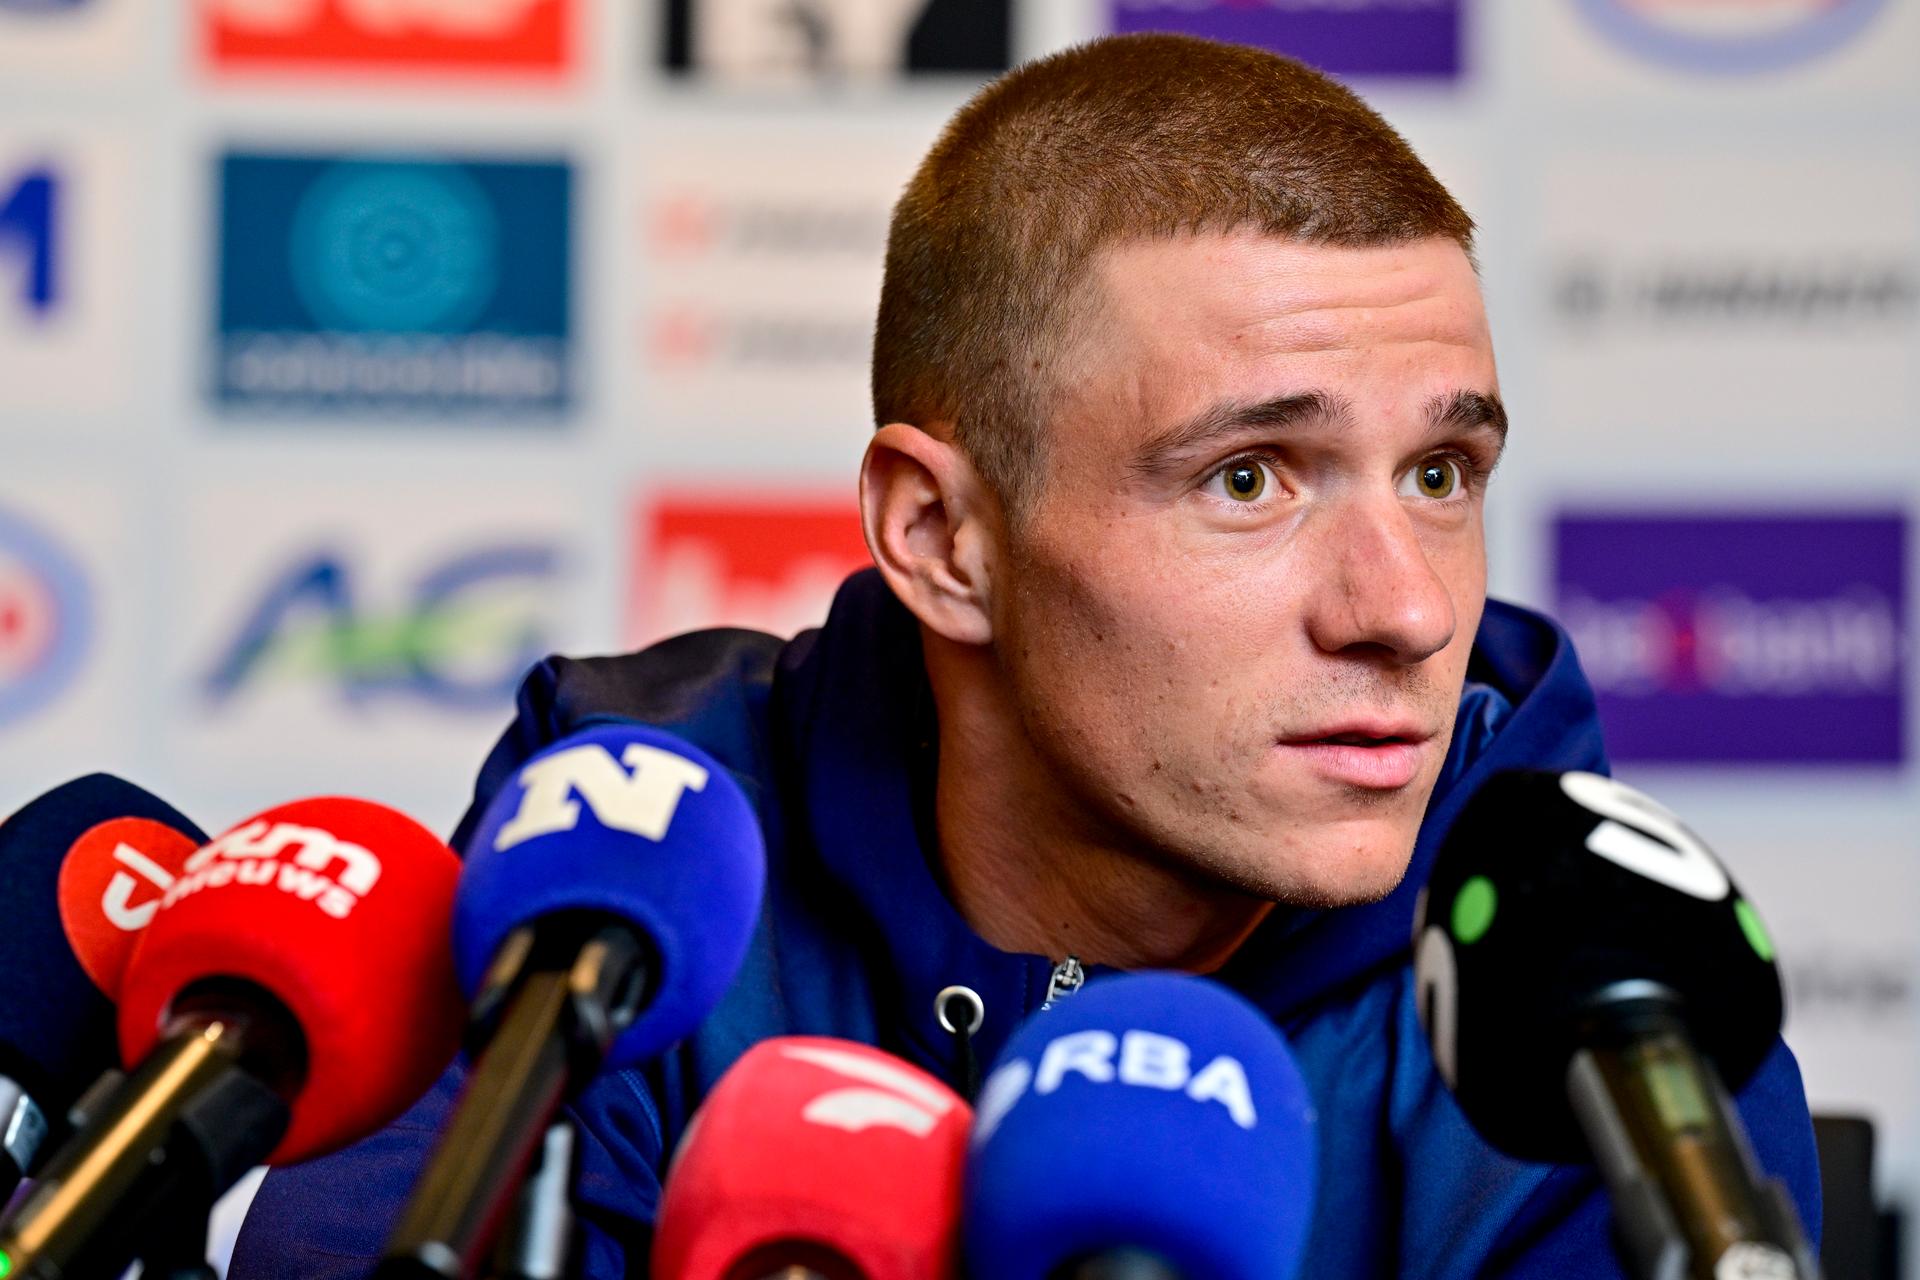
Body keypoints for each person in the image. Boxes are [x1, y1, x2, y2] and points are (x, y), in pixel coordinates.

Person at [232, 32, 1819, 1277]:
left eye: (1441, 474)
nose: (1403, 611)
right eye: (1249, 479)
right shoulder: (640, 841)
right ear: (942, 538)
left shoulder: (1597, 982)